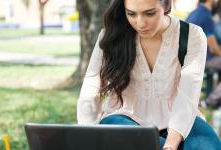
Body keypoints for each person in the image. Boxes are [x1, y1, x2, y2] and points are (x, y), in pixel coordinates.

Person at [77, 0, 221, 150]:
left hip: (183, 120)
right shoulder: (110, 36)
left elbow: (187, 95)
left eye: (149, 13)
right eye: (131, 14)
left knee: (208, 146)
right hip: (123, 118)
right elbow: (90, 91)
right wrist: (88, 135)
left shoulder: (192, 35)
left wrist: (170, 145)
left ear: (166, 6)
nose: (140, 23)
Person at [186, 0, 221, 97]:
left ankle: (210, 95)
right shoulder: (207, 16)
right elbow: (214, 48)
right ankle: (212, 100)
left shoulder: (194, 13)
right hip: (200, 60)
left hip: (187, 56)